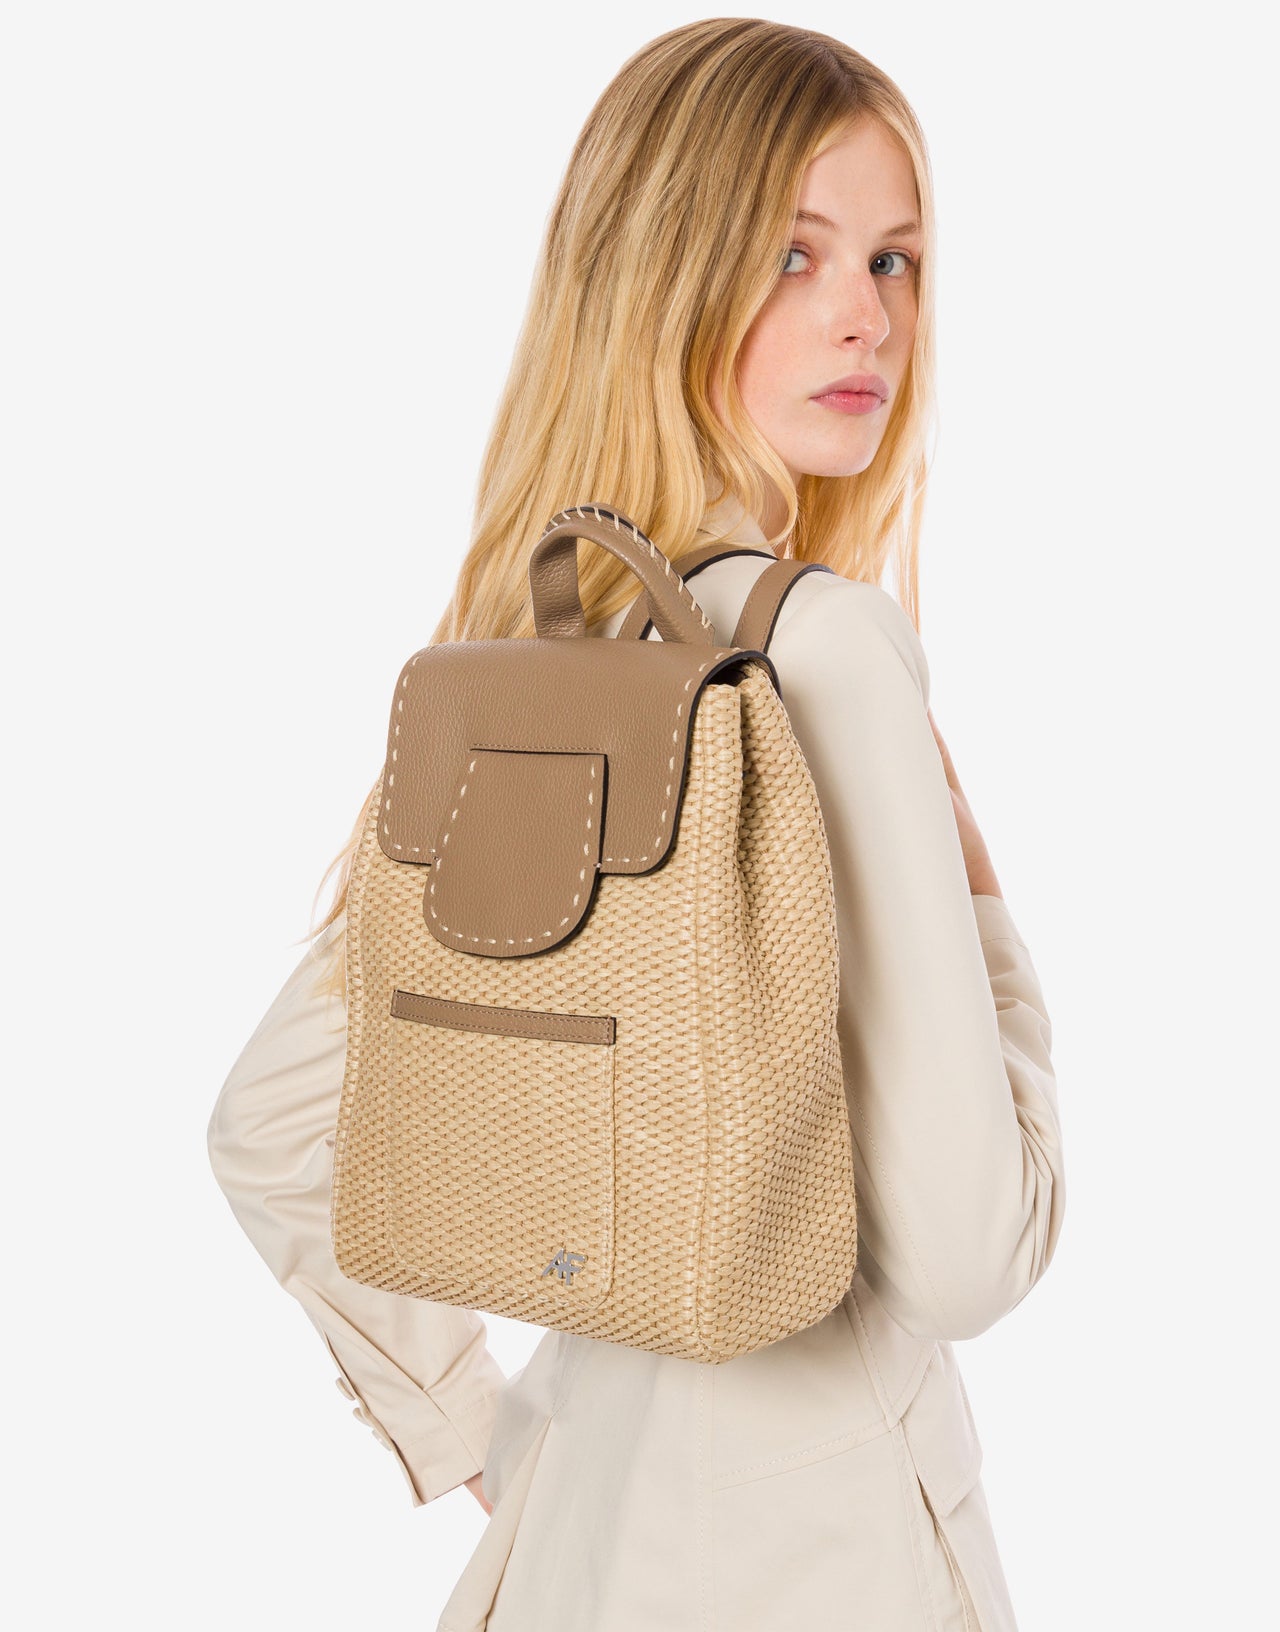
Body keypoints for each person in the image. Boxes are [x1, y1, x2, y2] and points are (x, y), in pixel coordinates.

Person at [207, 18, 1066, 1630]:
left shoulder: (536, 666)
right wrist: (989, 920)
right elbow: (969, 1254)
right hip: (827, 1562)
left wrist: (473, 1423)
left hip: (574, 1537)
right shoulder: (824, 654)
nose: (867, 317)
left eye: (894, 260)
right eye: (793, 254)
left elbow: (271, 1122)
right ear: (662, 277)